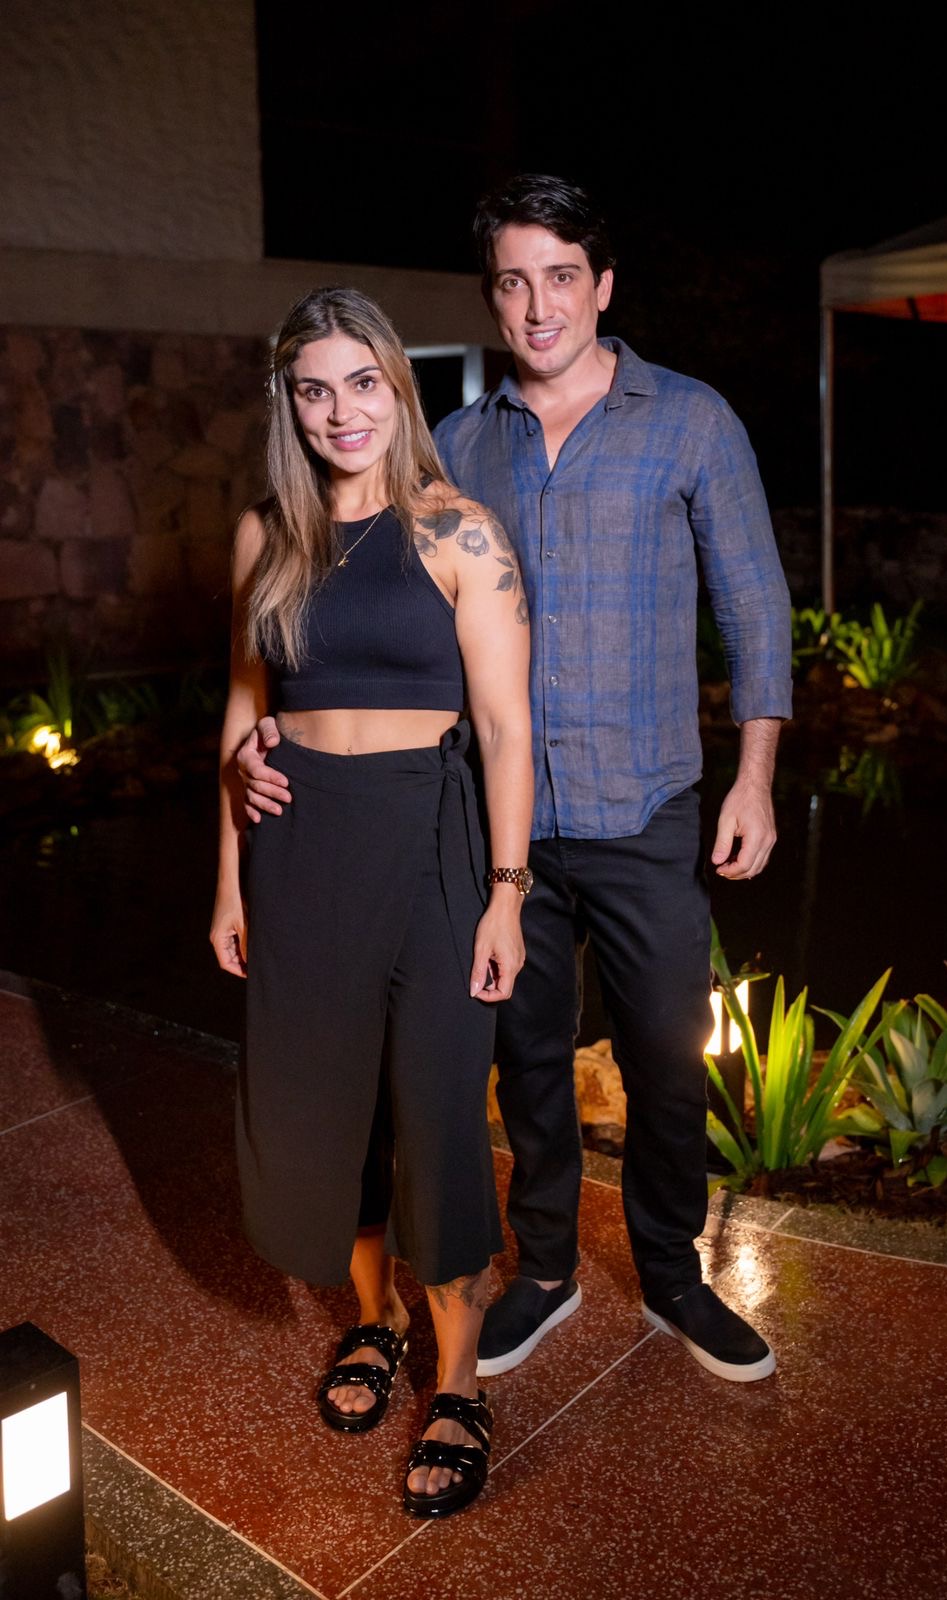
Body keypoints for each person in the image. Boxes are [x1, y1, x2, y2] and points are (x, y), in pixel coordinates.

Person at [238, 176, 792, 1386]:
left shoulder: (691, 421)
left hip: (643, 807)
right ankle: (544, 1268)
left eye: (561, 277)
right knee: (528, 1060)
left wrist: (754, 775)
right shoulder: (458, 443)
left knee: (665, 1057)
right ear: (492, 299)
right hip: (496, 827)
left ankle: (673, 1272)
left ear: (603, 285)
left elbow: (754, 604)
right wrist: (283, 724)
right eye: (512, 282)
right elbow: (368, 602)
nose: (539, 306)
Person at [209, 285, 533, 1518]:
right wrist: (229, 878)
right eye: (314, 388)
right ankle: (375, 1315)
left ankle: (459, 1381)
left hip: (434, 840)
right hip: (300, 847)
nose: (340, 410)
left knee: (439, 1111)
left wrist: (507, 895)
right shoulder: (266, 536)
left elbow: (504, 728)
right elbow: (243, 712)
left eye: (361, 382)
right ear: (288, 403)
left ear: (398, 386)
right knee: (330, 1108)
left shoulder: (461, 532)